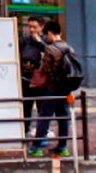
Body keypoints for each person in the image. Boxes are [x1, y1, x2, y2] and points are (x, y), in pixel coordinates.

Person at [29, 20, 75, 158]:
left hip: (52, 87)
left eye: (47, 34)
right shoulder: (69, 48)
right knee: (63, 117)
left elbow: (45, 69)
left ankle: (36, 147)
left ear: (50, 33)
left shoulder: (51, 49)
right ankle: (63, 147)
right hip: (65, 88)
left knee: (44, 116)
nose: (46, 37)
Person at [20, 16, 46, 137]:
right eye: (29, 27)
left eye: (34, 27)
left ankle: (41, 132)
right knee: (26, 106)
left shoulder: (45, 41)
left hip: (41, 80)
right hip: (26, 79)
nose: (31, 30)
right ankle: (25, 130)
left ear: (42, 27)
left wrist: (40, 43)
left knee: (42, 107)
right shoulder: (24, 40)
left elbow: (50, 52)